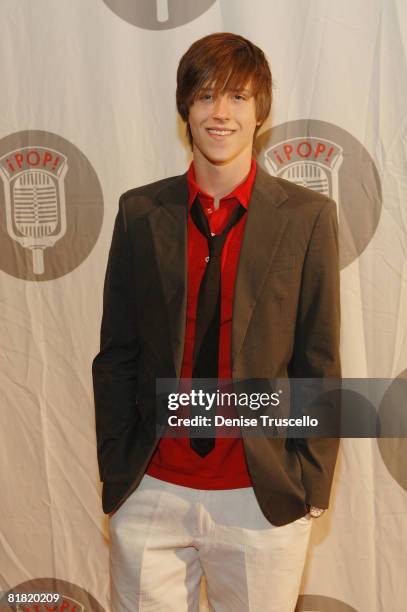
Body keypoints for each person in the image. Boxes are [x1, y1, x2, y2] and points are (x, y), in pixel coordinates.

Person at [92, 32, 341, 612]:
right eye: (205, 96)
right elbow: (116, 355)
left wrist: (309, 482)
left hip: (261, 497)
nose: (221, 112)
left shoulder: (307, 219)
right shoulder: (139, 212)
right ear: (185, 109)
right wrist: (117, 468)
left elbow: (318, 359)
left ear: (261, 112)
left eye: (237, 97)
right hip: (150, 489)